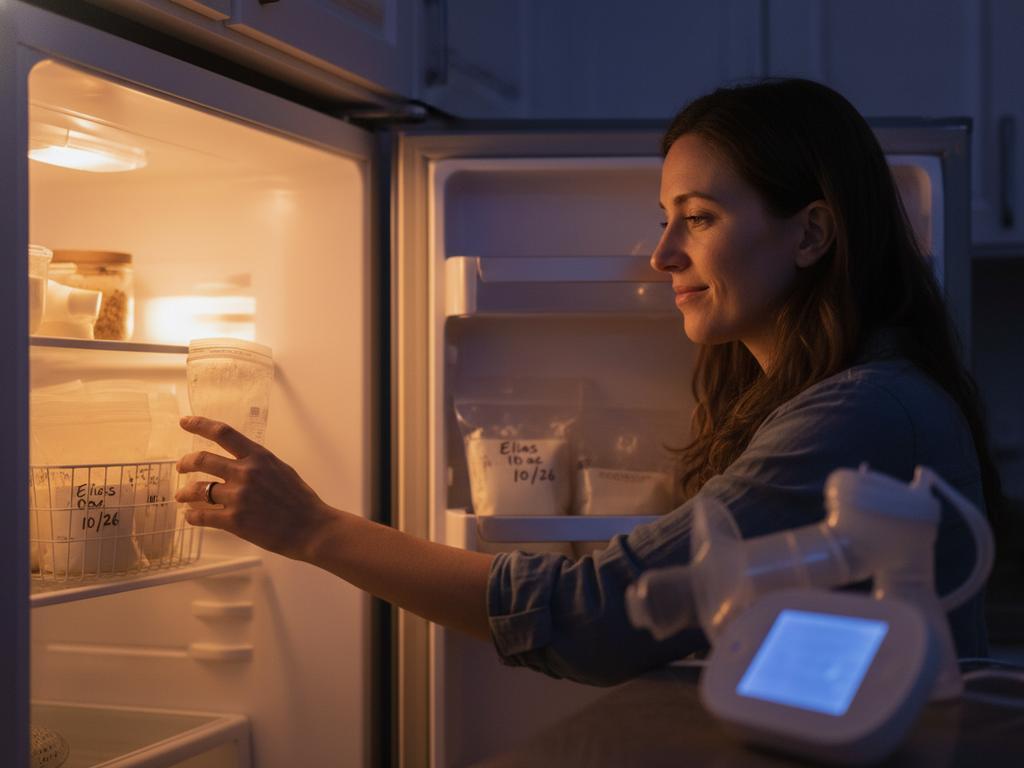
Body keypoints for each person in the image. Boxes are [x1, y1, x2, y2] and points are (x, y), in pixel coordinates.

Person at [175, 78, 1001, 687]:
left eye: (701, 218)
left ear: (812, 233)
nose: (662, 254)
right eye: (665, 216)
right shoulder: (839, 397)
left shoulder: (862, 415)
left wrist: (314, 529)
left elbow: (597, 611)